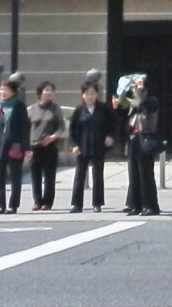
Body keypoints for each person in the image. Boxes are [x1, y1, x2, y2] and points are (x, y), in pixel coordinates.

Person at [68, 78, 114, 213]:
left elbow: (113, 123)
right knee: (79, 175)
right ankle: (77, 204)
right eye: (87, 94)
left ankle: (97, 203)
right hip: (82, 146)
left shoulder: (103, 109)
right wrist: (74, 145)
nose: (90, 96)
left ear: (97, 95)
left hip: (98, 145)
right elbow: (73, 129)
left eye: (92, 93)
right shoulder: (79, 111)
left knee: (97, 175)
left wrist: (110, 136)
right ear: (82, 95)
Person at [0, 73, 31, 214]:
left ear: (13, 92)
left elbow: (25, 128)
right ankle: (0, 205)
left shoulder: (19, 106)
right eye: (1, 90)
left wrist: (27, 148)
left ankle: (13, 205)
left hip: (15, 145)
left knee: (15, 177)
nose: (2, 92)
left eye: (5, 90)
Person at [121, 73, 161, 216]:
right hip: (134, 139)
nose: (137, 87)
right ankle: (135, 205)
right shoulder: (133, 100)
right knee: (134, 174)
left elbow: (144, 105)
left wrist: (140, 92)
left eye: (140, 84)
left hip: (146, 137)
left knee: (146, 174)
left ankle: (150, 205)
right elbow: (126, 106)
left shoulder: (151, 100)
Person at [26, 80, 64, 211]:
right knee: (35, 175)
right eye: (46, 90)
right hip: (35, 146)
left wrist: (53, 137)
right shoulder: (32, 109)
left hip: (50, 146)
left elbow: (61, 127)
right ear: (40, 93)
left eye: (51, 90)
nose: (49, 93)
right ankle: (37, 201)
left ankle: (47, 202)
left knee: (49, 175)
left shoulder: (55, 109)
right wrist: (27, 147)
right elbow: (26, 128)